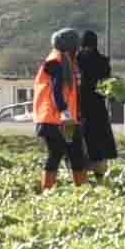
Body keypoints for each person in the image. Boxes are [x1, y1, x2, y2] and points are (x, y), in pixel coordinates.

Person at [28, 31, 83, 192]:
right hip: (54, 119)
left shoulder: (64, 61)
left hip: (64, 119)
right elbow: (56, 90)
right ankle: (47, 190)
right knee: (56, 153)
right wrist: (64, 111)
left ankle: (82, 190)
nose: (77, 49)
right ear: (70, 46)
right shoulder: (55, 63)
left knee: (75, 153)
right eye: (76, 46)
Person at [67, 27, 120, 181]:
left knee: (80, 141)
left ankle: (79, 175)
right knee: (99, 141)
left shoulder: (77, 59)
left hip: (79, 105)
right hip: (98, 106)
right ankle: (100, 176)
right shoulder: (104, 61)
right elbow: (106, 84)